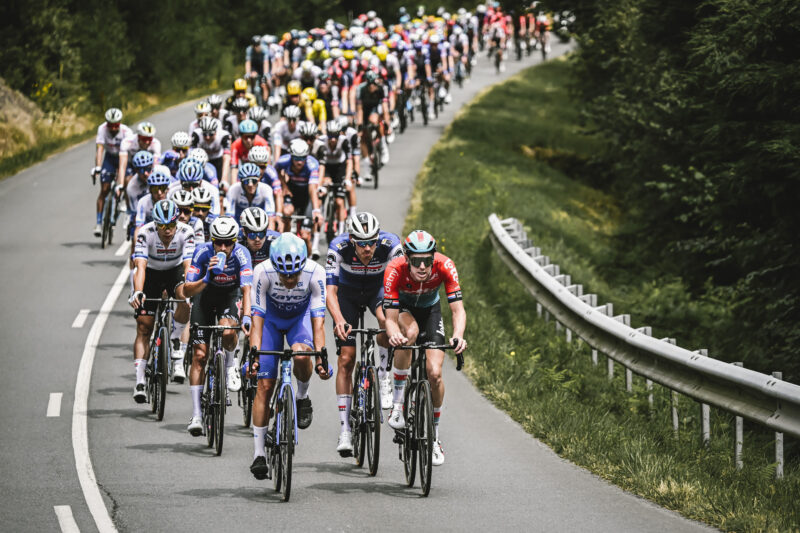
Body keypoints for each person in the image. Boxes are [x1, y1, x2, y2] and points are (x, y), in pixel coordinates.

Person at [248, 233, 331, 479]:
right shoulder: (262, 271)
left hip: (299, 320)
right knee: (264, 385)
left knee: (302, 356)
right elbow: (257, 321)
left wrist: (321, 359)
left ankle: (302, 397)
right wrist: (254, 355)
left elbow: (318, 323)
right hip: (270, 323)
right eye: (284, 275)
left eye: (294, 274)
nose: (290, 279)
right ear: (275, 267)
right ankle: (259, 453)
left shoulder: (316, 272)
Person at [383, 230, 467, 466]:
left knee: (435, 373)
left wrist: (458, 335)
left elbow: (458, 309)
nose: (422, 266)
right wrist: (393, 335)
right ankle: (398, 405)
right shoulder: (394, 269)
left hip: (431, 310)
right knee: (408, 334)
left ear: (434, 258)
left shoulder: (446, 265)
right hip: (402, 308)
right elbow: (389, 318)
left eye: (427, 260)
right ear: (407, 258)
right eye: (416, 261)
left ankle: (435, 437)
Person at [326, 213, 402, 455]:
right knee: (347, 359)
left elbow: (398, 286)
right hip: (347, 294)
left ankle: (383, 373)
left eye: (372, 242)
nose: (368, 248)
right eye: (361, 243)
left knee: (384, 320)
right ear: (351, 239)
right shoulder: (338, 247)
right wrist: (338, 320)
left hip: (377, 291)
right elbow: (330, 291)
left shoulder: (391, 244)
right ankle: (345, 430)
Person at [183, 217, 253, 436]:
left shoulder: (242, 254)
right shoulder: (202, 253)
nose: (223, 247)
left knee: (228, 330)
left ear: (235, 241)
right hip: (204, 295)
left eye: (228, 242)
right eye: (218, 242)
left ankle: (230, 366)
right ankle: (196, 414)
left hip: (229, 295)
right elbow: (187, 290)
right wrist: (206, 277)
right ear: (211, 240)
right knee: (200, 356)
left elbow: (246, 290)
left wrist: (248, 315)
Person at [130, 200, 195, 399]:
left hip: (174, 271)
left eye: (171, 225)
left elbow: (188, 266)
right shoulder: (145, 233)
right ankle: (140, 381)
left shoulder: (186, 232)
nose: (167, 230)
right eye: (163, 226)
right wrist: (138, 292)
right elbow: (140, 267)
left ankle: (175, 338)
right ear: (155, 224)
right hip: (150, 273)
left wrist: (190, 291)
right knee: (144, 327)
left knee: (185, 297)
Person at [275, 138, 322, 258]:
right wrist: (284, 186)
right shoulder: (283, 161)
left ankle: (309, 259)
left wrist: (316, 210)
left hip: (307, 196)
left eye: (302, 158)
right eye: (296, 158)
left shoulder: (312, 164)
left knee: (305, 235)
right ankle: (284, 247)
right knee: (286, 213)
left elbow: (312, 188)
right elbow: (275, 171)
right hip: (292, 192)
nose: (299, 162)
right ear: (291, 156)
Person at [91, 107, 133, 237]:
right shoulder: (102, 129)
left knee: (127, 182)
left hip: (124, 157)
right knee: (104, 189)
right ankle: (99, 223)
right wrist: (98, 166)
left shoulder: (127, 132)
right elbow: (99, 149)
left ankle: (123, 202)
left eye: (116, 125)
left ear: (120, 123)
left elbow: (128, 154)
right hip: (109, 158)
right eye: (111, 125)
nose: (113, 128)